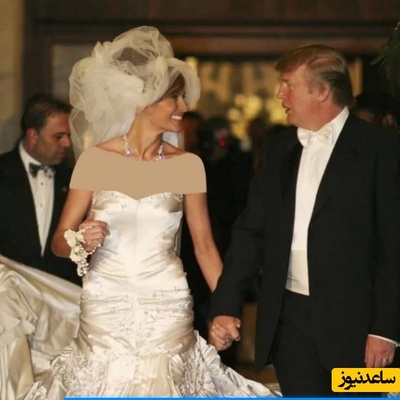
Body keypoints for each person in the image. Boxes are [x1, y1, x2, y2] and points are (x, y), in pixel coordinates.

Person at [1, 26, 280, 399]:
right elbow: (59, 243)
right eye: (174, 98)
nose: (183, 108)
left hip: (167, 302)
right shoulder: (95, 161)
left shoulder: (189, 165)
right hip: (105, 305)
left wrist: (227, 307)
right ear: (144, 101)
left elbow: (205, 248)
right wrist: (79, 240)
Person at [210, 44, 400, 397]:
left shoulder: (382, 149)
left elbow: (394, 245)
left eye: (288, 84)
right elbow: (250, 233)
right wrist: (225, 306)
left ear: (321, 91)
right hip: (290, 325)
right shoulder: (277, 150)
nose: (279, 94)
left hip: (361, 332)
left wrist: (385, 331)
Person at [0, 93, 79, 285]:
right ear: (33, 135)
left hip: (61, 293)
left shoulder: (74, 179)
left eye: (68, 136)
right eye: (58, 137)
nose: (67, 144)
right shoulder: (2, 171)